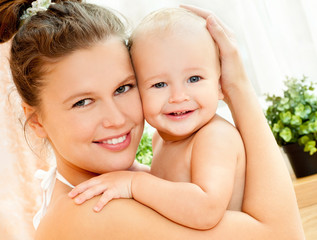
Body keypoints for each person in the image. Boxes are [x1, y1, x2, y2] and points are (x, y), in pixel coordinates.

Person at [0, 0, 305, 239]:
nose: (117, 119)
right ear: (37, 121)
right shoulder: (94, 211)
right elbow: (283, 236)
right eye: (83, 102)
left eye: (123, 88)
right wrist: (238, 87)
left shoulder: (124, 181)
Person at [68, 8, 246, 230]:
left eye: (194, 78)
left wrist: (134, 182)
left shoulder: (214, 137)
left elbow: (206, 209)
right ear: (138, 91)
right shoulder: (160, 140)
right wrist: (131, 173)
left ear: (219, 85)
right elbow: (171, 190)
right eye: (159, 84)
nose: (178, 97)